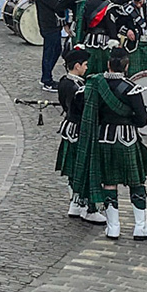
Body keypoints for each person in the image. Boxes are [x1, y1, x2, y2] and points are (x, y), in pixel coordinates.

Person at [73, 47, 147, 241]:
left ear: (108, 64)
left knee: (109, 183)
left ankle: (113, 227)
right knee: (136, 182)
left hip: (104, 137)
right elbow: (143, 119)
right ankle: (141, 226)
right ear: (126, 65)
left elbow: (84, 107)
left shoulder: (96, 84)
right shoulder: (131, 88)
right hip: (127, 139)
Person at [55, 47, 102, 223]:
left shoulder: (63, 81)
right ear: (77, 66)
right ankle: (88, 208)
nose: (87, 67)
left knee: (73, 168)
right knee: (84, 168)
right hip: (81, 129)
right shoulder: (79, 87)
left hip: (69, 127)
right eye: (85, 64)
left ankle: (75, 204)